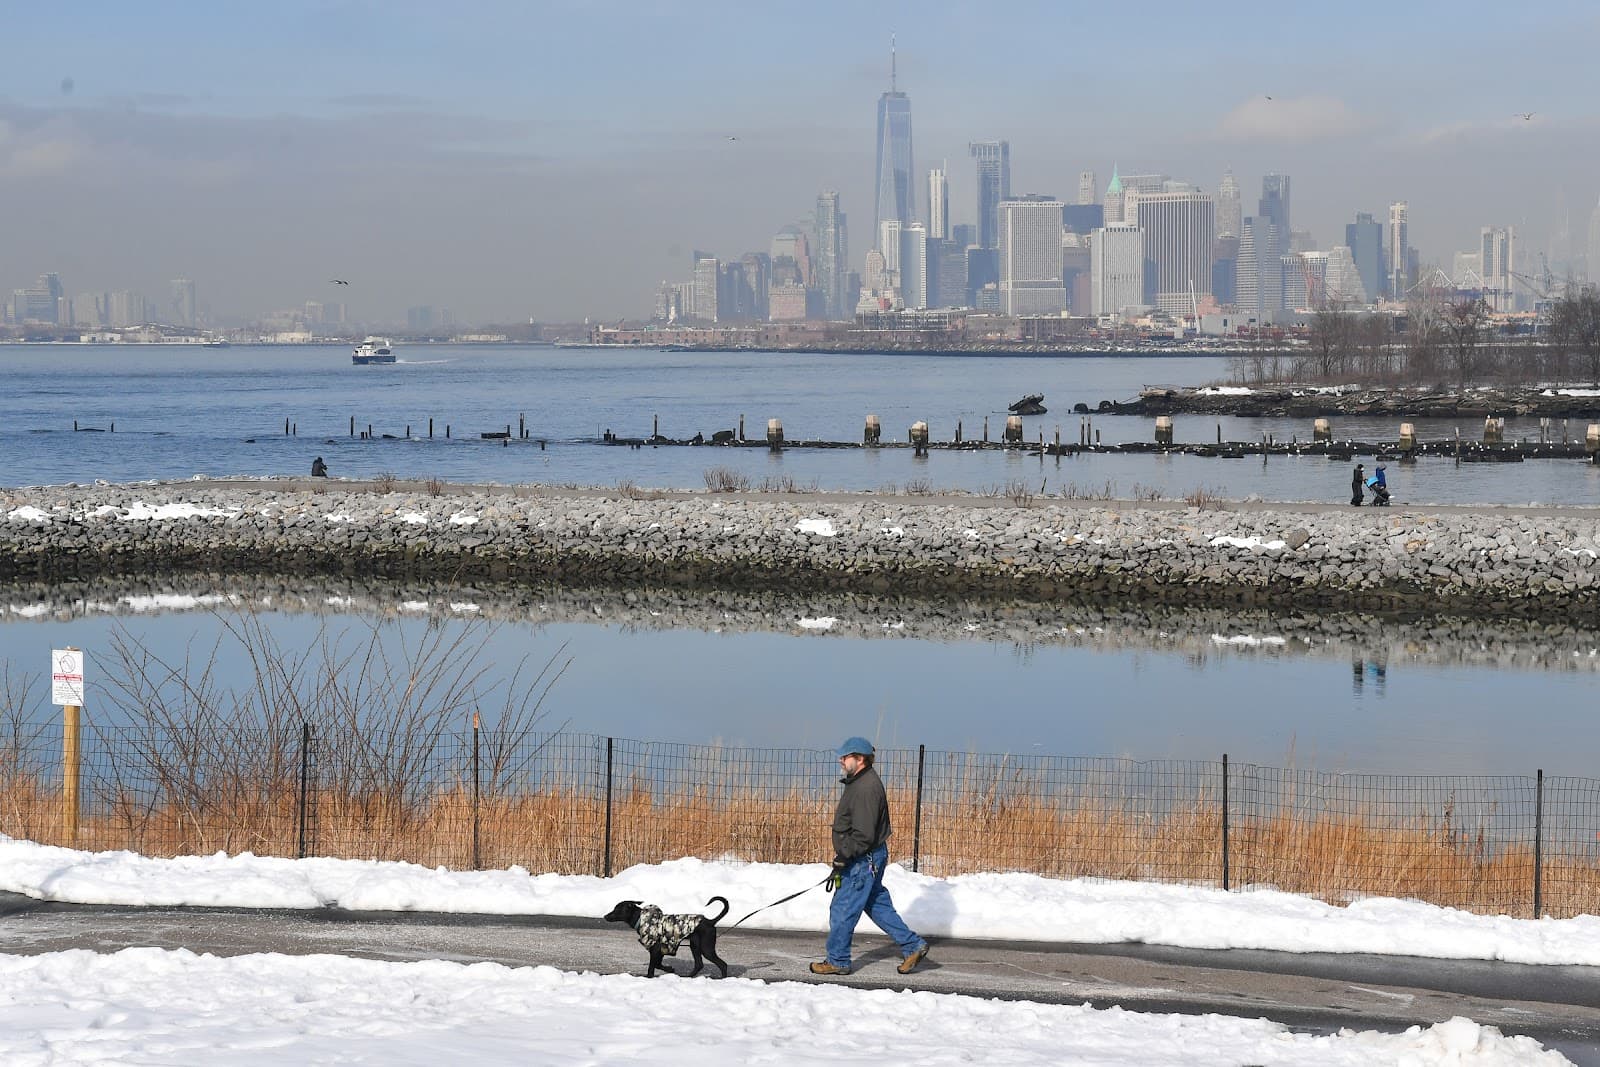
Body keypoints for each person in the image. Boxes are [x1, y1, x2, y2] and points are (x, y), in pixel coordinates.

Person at [809, 737, 929, 977]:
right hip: (870, 857)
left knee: (843, 909)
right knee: (876, 904)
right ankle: (912, 945)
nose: (841, 760)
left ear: (860, 759)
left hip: (862, 859)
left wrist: (845, 855)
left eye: (845, 757)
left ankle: (838, 960)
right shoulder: (860, 782)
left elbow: (863, 834)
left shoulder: (865, 788)